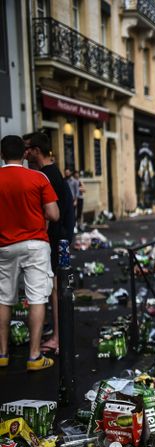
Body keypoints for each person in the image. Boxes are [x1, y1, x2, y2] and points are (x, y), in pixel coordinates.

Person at [0, 135, 59, 371]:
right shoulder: (38, 178)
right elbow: (53, 214)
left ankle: (2, 353)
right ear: (24, 154)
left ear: (2, 154)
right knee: (37, 298)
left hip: (4, 245)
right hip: (35, 244)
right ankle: (34, 356)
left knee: (3, 298)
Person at [23, 132, 75, 354]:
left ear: (36, 150)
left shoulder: (46, 176)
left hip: (57, 237)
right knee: (57, 286)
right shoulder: (52, 173)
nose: (25, 153)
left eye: (27, 148)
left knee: (56, 288)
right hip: (62, 236)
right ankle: (57, 334)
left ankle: (58, 338)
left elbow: (50, 213)